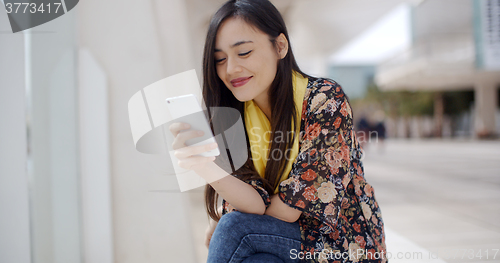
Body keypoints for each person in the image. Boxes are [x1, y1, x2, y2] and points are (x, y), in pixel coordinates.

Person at [168, 0, 387, 262]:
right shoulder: (237, 117)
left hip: (343, 245)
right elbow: (255, 204)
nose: (230, 69)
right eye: (220, 59)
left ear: (280, 46)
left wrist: (229, 220)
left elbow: (288, 211)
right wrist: (204, 166)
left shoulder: (325, 100)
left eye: (244, 52)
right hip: (284, 243)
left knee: (232, 228)